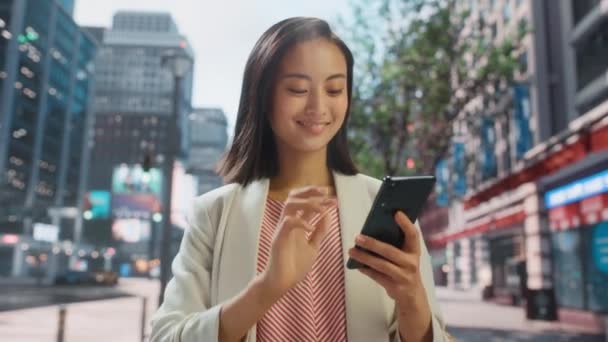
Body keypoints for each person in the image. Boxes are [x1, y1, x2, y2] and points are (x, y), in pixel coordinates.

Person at [150, 17, 450, 342]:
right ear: (262, 96)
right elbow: (166, 337)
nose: (318, 106)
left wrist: (412, 300)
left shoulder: (382, 205)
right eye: (298, 89)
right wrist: (267, 288)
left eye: (334, 89)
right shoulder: (214, 213)